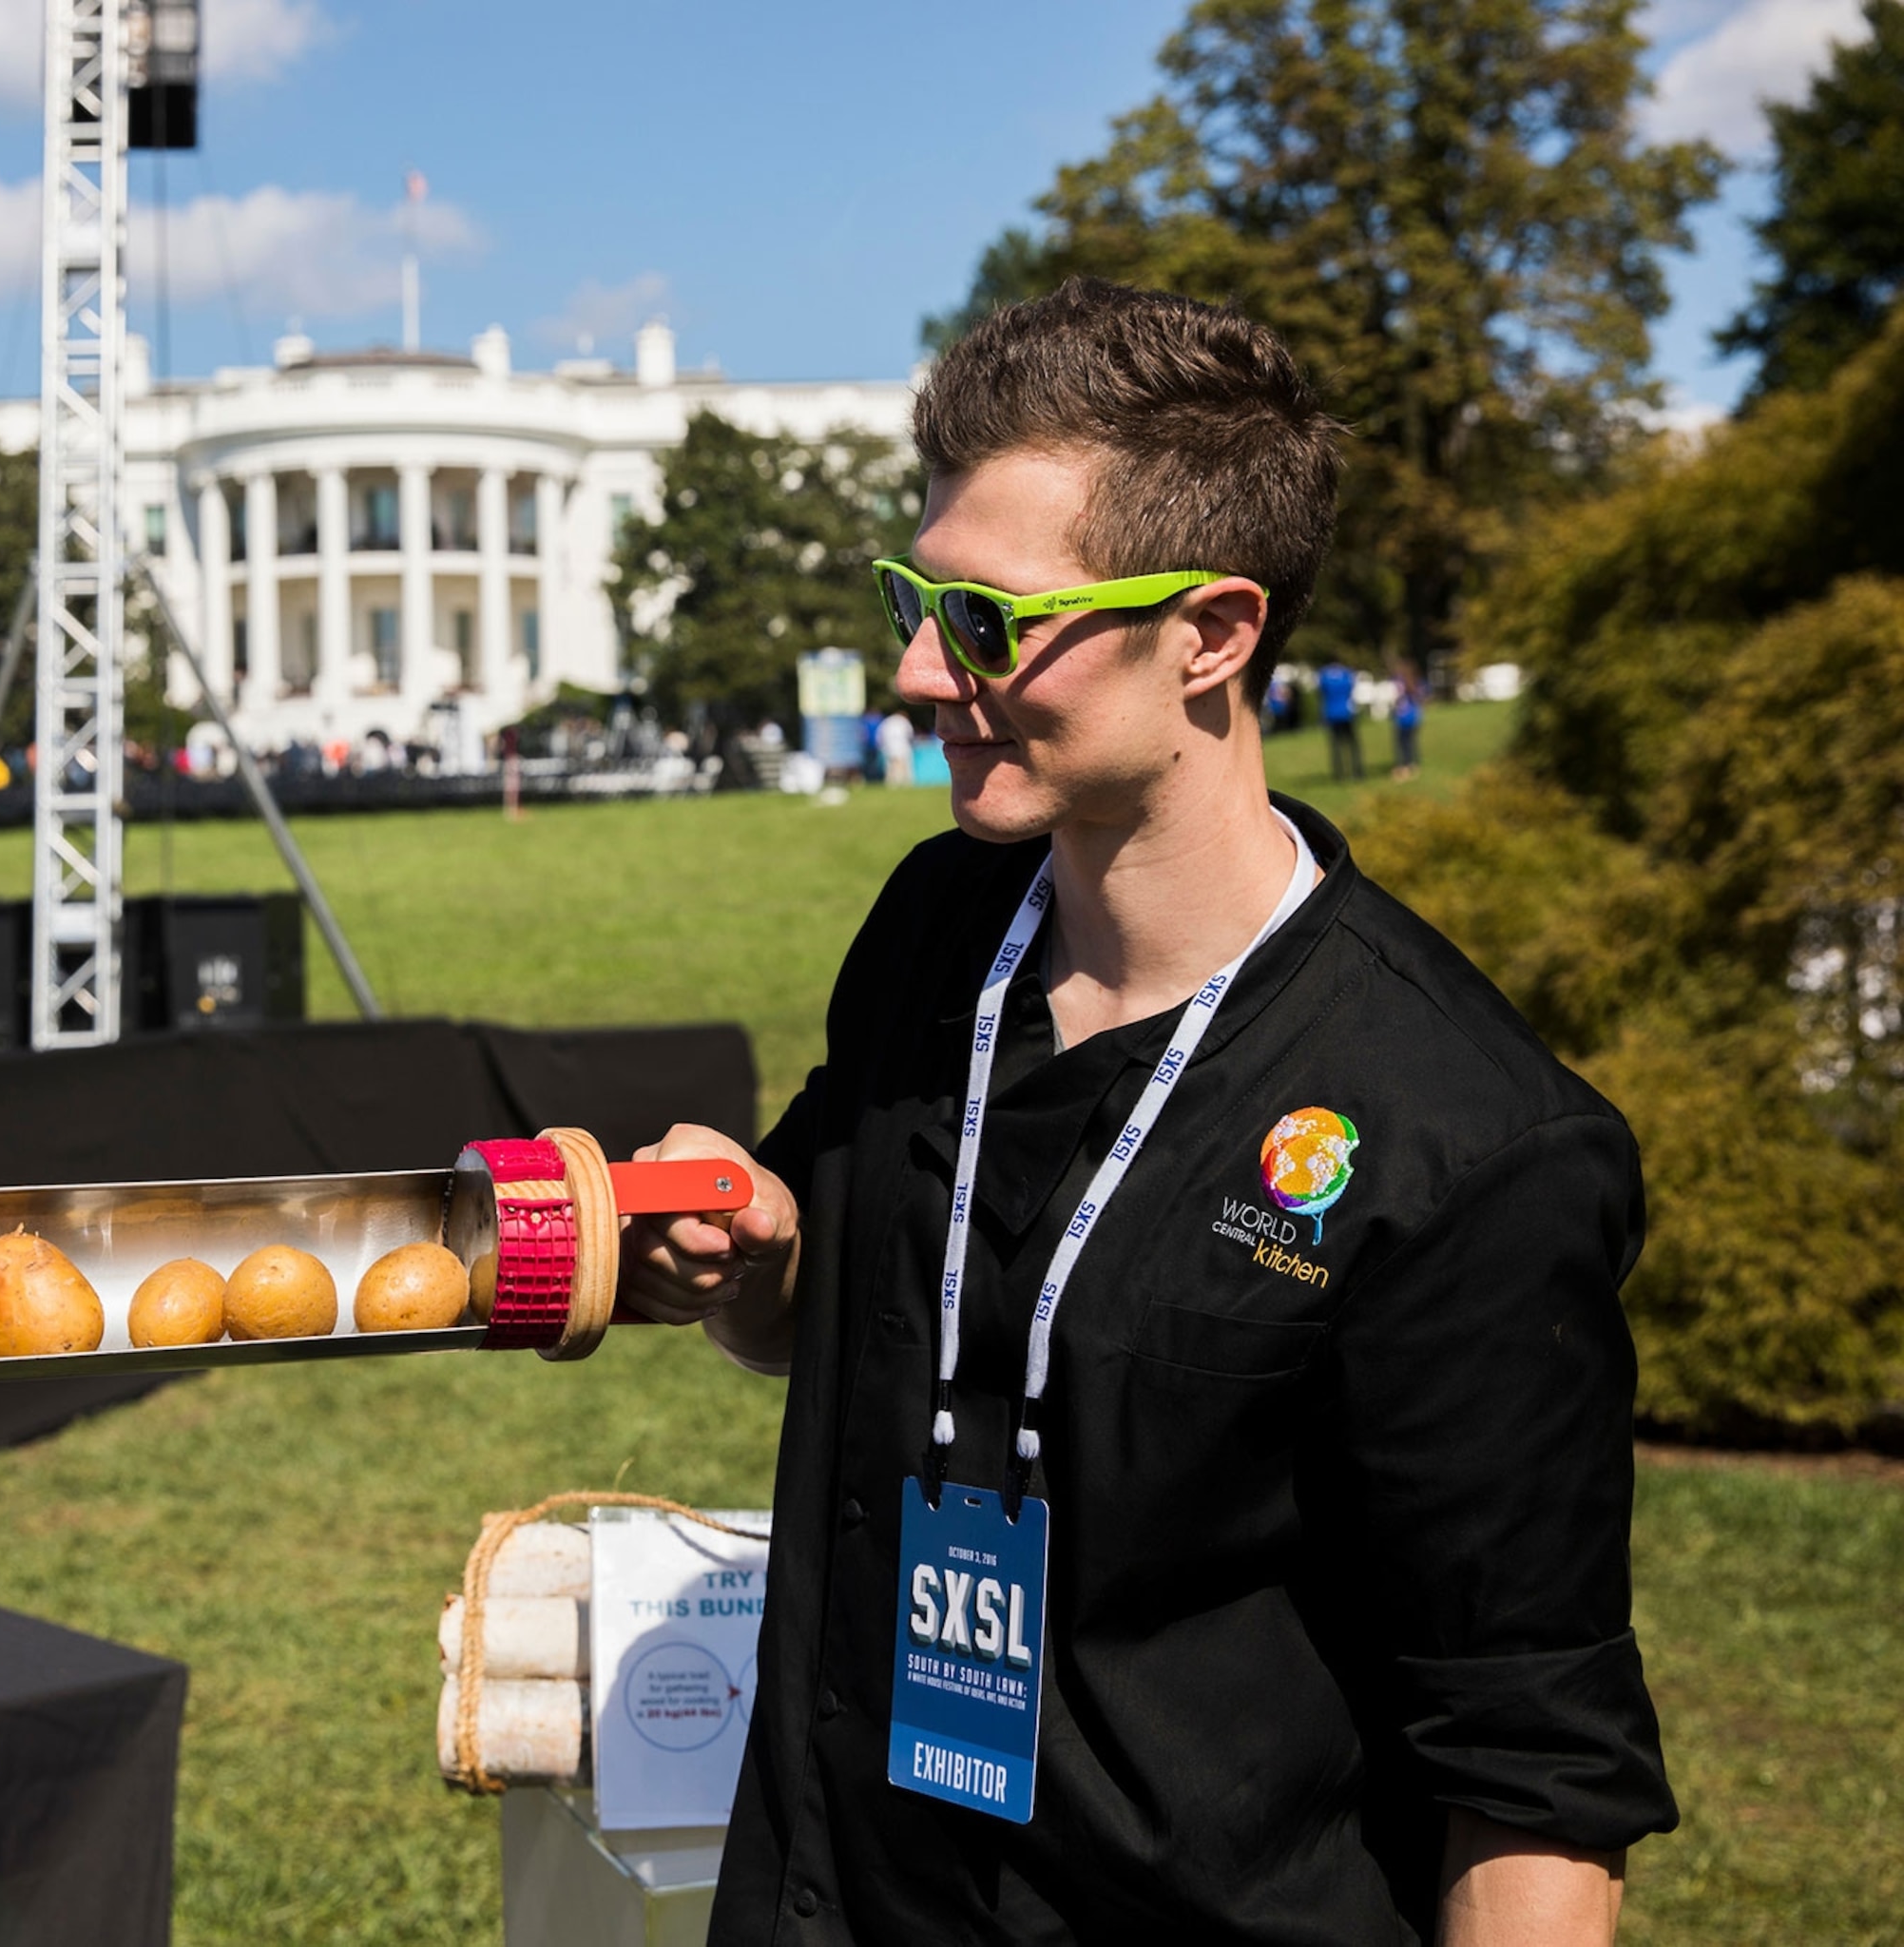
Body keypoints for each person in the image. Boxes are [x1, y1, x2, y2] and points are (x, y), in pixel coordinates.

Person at [624, 280, 1670, 1946]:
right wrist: (752, 1255)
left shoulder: (1462, 1144)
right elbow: (838, 1327)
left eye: (985, 619)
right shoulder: (931, 928)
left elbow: (1531, 1773)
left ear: (1213, 631)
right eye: (915, 598)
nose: (911, 669)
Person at [1320, 656, 1364, 779]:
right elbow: (1351, 690)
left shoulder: (1324, 675)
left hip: (1332, 712)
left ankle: (1339, 774)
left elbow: (1323, 693)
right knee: (1353, 744)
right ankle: (1357, 771)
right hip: (1346, 712)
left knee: (1336, 745)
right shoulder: (1347, 674)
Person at [1393, 661, 1427, 780]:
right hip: (1414, 717)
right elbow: (1422, 697)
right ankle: (1414, 765)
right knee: (1411, 742)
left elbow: (1395, 697)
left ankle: (1405, 767)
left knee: (1403, 743)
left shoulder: (1400, 682)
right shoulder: (1416, 681)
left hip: (1403, 717)